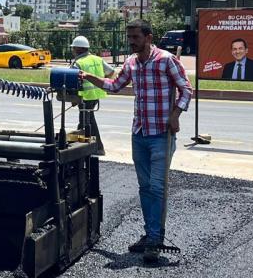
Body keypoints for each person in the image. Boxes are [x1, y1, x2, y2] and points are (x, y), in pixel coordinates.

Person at [80, 20, 192, 265]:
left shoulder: (166, 60)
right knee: (144, 188)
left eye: (136, 37)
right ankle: (151, 234)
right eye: (129, 37)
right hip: (139, 134)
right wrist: (89, 77)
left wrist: (175, 115)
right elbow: (115, 85)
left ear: (148, 37)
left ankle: (154, 239)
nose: (131, 41)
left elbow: (186, 90)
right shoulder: (131, 63)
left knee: (156, 187)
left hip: (161, 135)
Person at [69, 36, 114, 154]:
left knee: (87, 122)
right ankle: (82, 145)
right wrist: (101, 82)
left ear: (78, 49)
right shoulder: (97, 59)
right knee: (85, 121)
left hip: (85, 97)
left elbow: (72, 83)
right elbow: (111, 72)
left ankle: (96, 148)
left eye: (73, 48)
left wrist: (73, 99)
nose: (73, 50)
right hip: (95, 95)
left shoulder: (78, 63)